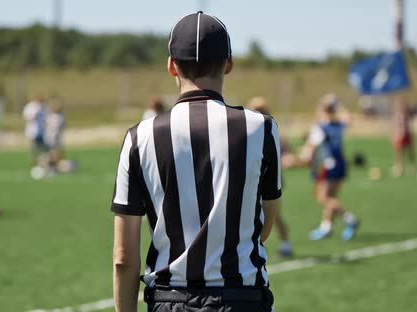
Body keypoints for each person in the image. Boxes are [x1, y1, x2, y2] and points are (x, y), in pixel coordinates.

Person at [111, 12, 280, 312]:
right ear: (229, 64)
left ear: (171, 66)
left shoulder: (139, 137)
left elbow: (124, 256)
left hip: (170, 301)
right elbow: (266, 222)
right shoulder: (261, 128)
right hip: (242, 299)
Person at [297, 93, 359, 241]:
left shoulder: (320, 127)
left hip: (326, 166)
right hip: (340, 164)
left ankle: (350, 219)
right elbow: (348, 118)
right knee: (332, 197)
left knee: (323, 197)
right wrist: (338, 104)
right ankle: (327, 227)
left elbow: (311, 148)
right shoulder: (337, 125)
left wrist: (302, 158)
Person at [247, 96, 292, 257]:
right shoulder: (250, 127)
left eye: (260, 109)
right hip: (254, 177)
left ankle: (285, 243)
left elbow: (286, 150)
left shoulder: (270, 128)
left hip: (269, 177)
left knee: (273, 213)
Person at [391, 97, 415, 177]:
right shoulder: (397, 115)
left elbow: (409, 124)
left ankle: (412, 166)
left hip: (406, 134)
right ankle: (399, 168)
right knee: (399, 152)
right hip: (399, 135)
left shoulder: (406, 114)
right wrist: (394, 135)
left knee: (410, 151)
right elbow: (395, 126)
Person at [23, 95, 47, 166]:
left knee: (44, 149)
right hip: (32, 131)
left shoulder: (43, 106)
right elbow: (27, 117)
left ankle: (42, 162)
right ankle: (34, 163)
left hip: (42, 131)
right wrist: (35, 115)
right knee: (34, 148)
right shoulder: (30, 106)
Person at [44, 97, 66, 170]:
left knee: (56, 153)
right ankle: (51, 167)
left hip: (54, 138)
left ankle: (53, 166)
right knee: (54, 153)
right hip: (52, 138)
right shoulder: (54, 117)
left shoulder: (59, 116)